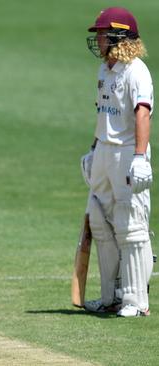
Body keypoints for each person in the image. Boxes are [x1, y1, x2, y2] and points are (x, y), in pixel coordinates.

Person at [80, 7, 154, 317]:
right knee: (100, 221)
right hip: (105, 153)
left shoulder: (136, 71)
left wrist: (139, 157)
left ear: (118, 36)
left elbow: (143, 113)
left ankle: (136, 302)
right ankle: (110, 296)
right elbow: (103, 115)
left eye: (101, 34)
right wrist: (94, 150)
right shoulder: (104, 71)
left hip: (127, 153)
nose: (97, 40)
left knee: (130, 226)